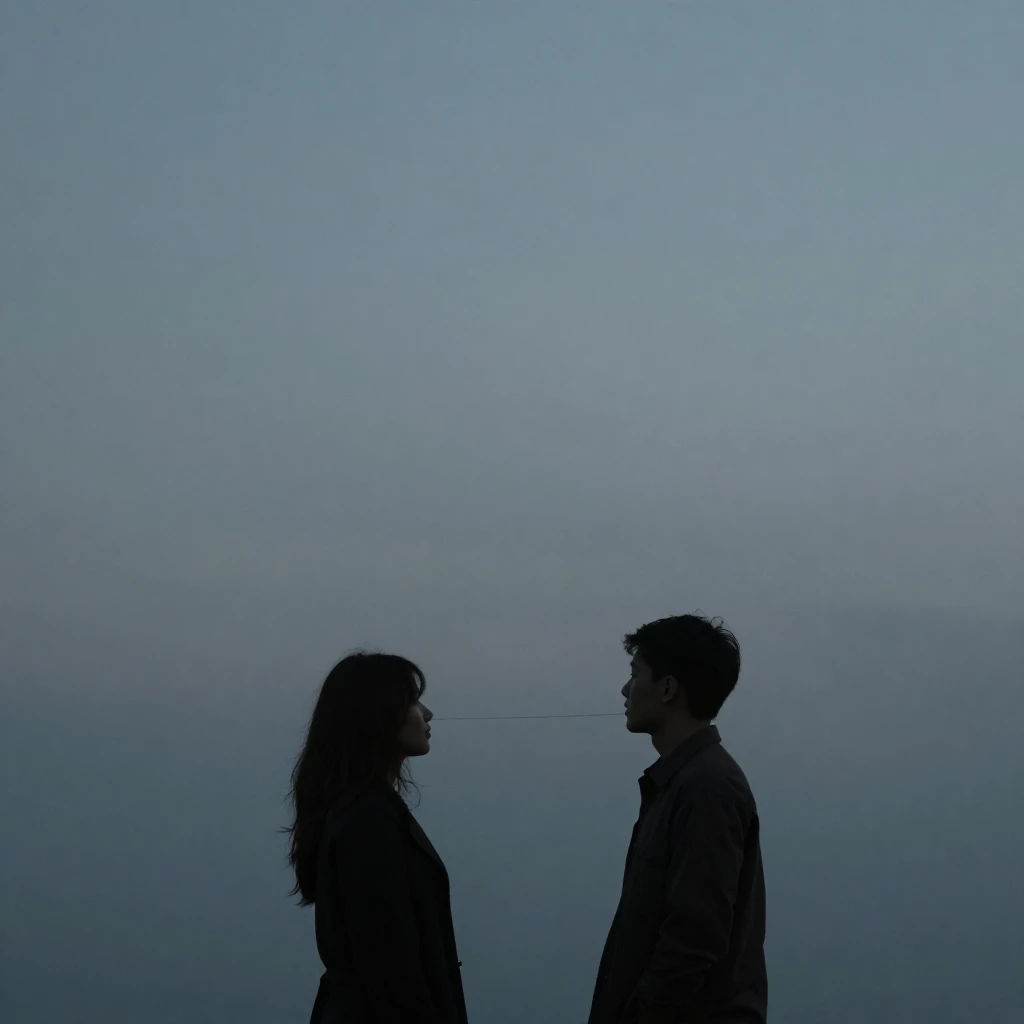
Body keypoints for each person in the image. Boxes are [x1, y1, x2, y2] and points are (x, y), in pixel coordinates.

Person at [588, 614, 767, 1024]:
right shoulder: (686, 782)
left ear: (667, 689)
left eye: (635, 674)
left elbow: (695, 938)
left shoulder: (707, 787)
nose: (625, 689)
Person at [285, 651, 468, 1024]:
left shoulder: (360, 810)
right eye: (413, 701)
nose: (428, 714)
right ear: (379, 714)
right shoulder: (368, 817)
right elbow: (389, 964)